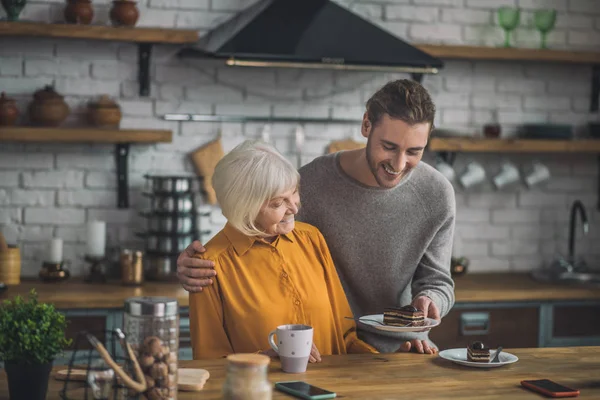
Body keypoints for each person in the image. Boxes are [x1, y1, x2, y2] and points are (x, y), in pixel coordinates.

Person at [180, 79, 455, 354]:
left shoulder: (436, 194)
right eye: (389, 147)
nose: (399, 164)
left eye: (414, 152)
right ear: (366, 125)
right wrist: (190, 266)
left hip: (404, 346)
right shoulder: (310, 182)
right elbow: (249, 226)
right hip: (332, 357)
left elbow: (437, 281)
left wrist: (429, 300)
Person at [189, 140, 378, 360]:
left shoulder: (311, 238)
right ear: (244, 207)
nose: (295, 208)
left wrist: (388, 357)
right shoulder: (209, 264)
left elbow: (345, 337)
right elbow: (208, 362)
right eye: (278, 203)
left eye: (294, 193)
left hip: (334, 390)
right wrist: (266, 359)